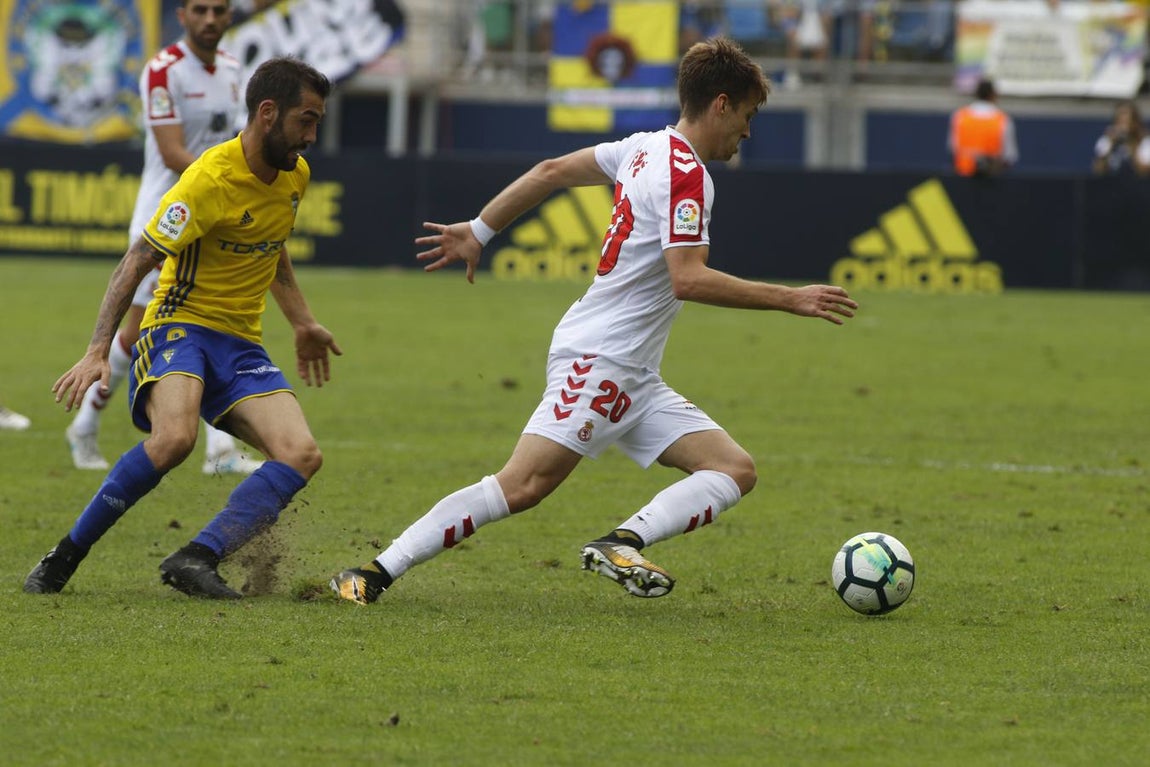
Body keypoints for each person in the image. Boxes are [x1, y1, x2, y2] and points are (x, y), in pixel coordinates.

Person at [330, 37, 858, 606]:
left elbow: (552, 170)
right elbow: (688, 278)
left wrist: (481, 228)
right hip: (602, 359)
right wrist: (790, 299)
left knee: (733, 469)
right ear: (722, 104)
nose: (748, 132)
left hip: (632, 371)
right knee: (522, 485)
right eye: (748, 115)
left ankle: (621, 543)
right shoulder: (687, 175)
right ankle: (372, 573)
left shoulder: (642, 147)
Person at [25, 57, 340, 600]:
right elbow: (137, 259)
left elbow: (273, 245)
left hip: (241, 345)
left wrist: (303, 321)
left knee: (301, 454)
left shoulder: (295, 176)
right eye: (305, 121)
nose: (311, 137)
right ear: (268, 112)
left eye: (316, 123)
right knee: (174, 439)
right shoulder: (208, 180)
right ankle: (65, 555)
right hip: (179, 327)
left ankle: (198, 557)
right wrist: (98, 349)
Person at [66, 0, 262, 475]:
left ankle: (219, 450)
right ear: (183, 16)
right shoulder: (162, 70)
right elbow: (173, 153)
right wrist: (231, 186)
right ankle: (85, 424)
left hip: (216, 219)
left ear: (229, 16)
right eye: (200, 10)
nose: (210, 19)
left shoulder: (234, 70)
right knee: (137, 333)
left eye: (219, 10)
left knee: (212, 319)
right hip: (167, 218)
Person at [948, 78, 1018, 177]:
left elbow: (953, 149)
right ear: (993, 95)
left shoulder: (960, 116)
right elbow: (1009, 156)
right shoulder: (1003, 120)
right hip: (992, 179)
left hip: (963, 176)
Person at [1092, 100, 1150, 176]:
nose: (1123, 127)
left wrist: (1132, 144)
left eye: (1127, 122)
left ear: (1135, 122)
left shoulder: (1145, 141)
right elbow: (1098, 170)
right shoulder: (1107, 140)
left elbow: (1144, 172)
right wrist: (1110, 145)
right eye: (1120, 122)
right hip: (1113, 181)